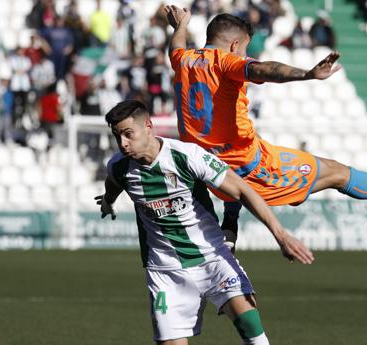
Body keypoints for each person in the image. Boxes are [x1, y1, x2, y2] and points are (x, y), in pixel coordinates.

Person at [165, 6, 367, 250]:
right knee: (335, 172)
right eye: (245, 49)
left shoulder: (184, 60)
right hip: (256, 170)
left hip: (211, 172)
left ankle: (229, 227)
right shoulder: (228, 62)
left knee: (240, 143)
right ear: (236, 45)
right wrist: (306, 74)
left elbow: (175, 46)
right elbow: (265, 69)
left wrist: (181, 26)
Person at [96, 100, 313, 345]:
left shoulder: (187, 155)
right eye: (117, 137)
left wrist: (282, 236)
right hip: (165, 271)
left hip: (212, 257)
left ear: (148, 126)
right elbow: (112, 186)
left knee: (250, 325)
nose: (122, 143)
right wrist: (107, 202)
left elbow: (242, 190)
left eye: (128, 134)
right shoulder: (119, 167)